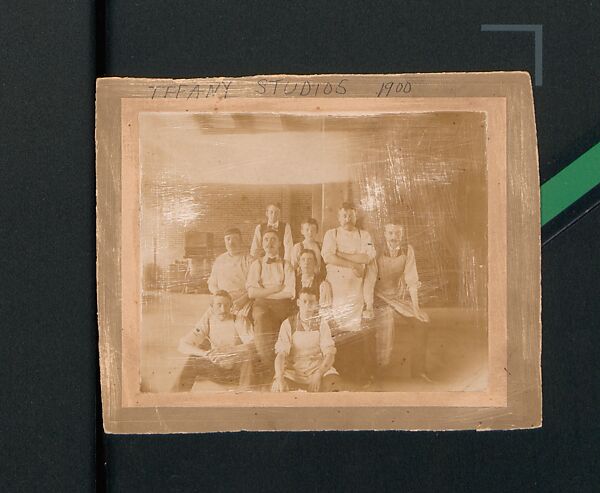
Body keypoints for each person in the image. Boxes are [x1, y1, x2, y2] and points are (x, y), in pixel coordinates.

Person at [374, 221, 431, 379]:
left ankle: (418, 372)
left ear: (402, 234)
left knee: (422, 321)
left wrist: (416, 309)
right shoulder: (377, 250)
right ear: (385, 234)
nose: (394, 237)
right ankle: (379, 371)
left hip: (396, 296)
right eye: (390, 233)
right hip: (376, 296)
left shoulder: (407, 250)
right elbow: (369, 279)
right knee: (386, 321)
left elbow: (412, 280)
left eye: (398, 233)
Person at [173, 291, 254, 391]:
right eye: (219, 305)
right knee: (194, 358)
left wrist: (231, 350)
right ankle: (178, 397)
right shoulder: (209, 321)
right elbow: (183, 345)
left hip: (236, 372)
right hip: (217, 368)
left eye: (226, 305)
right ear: (211, 307)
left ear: (231, 306)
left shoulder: (239, 320)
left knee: (247, 356)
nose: (223, 309)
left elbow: (253, 345)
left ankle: (245, 395)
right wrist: (206, 354)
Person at [246, 229, 295, 377]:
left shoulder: (287, 265)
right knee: (261, 321)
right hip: (262, 305)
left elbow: (290, 292)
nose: (270, 243)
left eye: (273, 239)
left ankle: (286, 370)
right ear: (262, 243)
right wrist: (275, 289)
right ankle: (271, 370)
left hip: (283, 305)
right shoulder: (257, 264)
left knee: (288, 328)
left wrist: (264, 291)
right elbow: (251, 292)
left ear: (280, 243)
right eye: (266, 239)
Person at [321, 202, 377, 332]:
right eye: (344, 216)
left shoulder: (364, 235)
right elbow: (328, 257)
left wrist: (339, 254)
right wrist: (353, 264)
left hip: (356, 290)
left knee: (354, 328)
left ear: (356, 217)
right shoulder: (331, 234)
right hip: (336, 289)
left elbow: (366, 257)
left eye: (351, 216)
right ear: (339, 218)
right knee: (334, 328)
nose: (348, 219)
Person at [272, 288, 340, 392]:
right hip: (294, 373)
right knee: (278, 390)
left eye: (311, 302)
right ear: (298, 303)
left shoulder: (322, 323)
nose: (307, 305)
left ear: (316, 304)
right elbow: (281, 355)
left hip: (317, 370)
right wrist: (279, 377)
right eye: (304, 301)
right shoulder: (288, 324)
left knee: (334, 386)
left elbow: (330, 355)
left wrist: (318, 374)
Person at [207, 227, 252, 317]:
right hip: (222, 300)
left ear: (241, 241)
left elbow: (254, 287)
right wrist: (219, 296)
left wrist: (242, 300)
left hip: (242, 301)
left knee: (239, 321)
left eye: (235, 239)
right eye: (228, 239)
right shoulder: (219, 260)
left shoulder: (249, 260)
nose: (231, 243)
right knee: (209, 320)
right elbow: (212, 284)